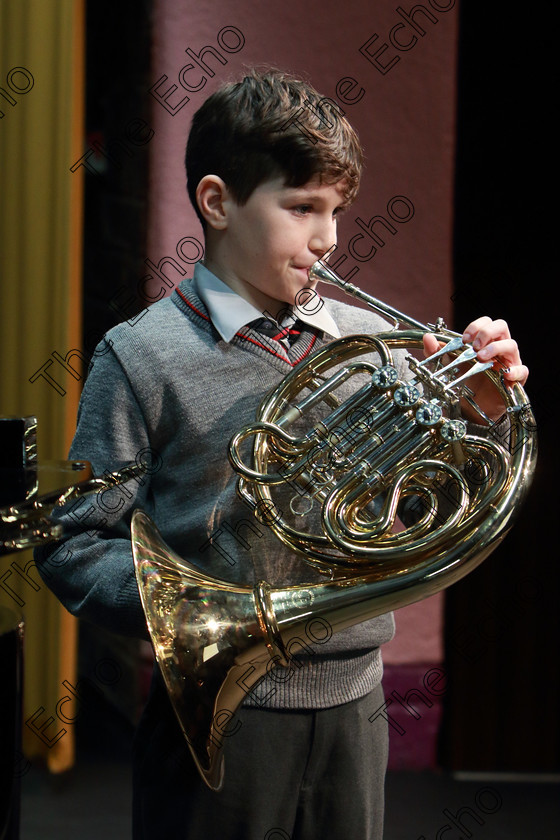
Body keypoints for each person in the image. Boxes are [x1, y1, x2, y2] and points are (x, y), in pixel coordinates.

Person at [35, 69, 528, 839]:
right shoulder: (142, 358)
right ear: (217, 202)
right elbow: (75, 541)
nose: (328, 238)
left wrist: (486, 413)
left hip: (356, 704)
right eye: (301, 208)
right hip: (221, 712)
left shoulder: (368, 342)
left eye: (337, 210)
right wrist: (196, 618)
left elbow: (449, 486)